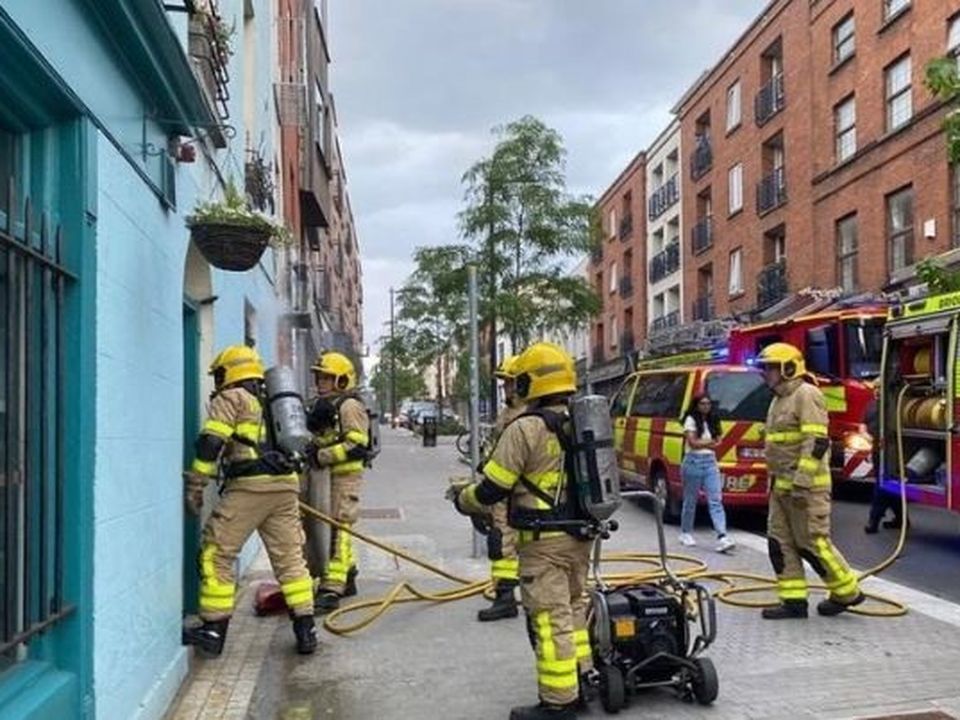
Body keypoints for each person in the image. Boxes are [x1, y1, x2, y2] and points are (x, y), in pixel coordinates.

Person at [452, 342, 591, 720]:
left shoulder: (524, 428)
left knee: (550, 620)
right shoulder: (581, 421)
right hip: (579, 537)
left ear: (531, 383)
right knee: (575, 610)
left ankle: (559, 702)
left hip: (542, 543)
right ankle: (583, 680)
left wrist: (462, 500)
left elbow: (492, 489)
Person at [182, 345, 317, 656]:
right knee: (290, 560)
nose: (217, 382)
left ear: (229, 372)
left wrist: (196, 483)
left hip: (250, 488)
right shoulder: (272, 403)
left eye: (218, 375)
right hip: (285, 487)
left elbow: (211, 442)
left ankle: (213, 630)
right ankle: (306, 630)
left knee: (215, 554)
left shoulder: (232, 398)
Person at [756, 342, 864, 620]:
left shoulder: (807, 394)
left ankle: (847, 592)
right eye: (765, 367)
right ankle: (793, 601)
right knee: (780, 545)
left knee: (812, 543)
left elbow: (816, 441)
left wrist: (802, 482)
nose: (765, 373)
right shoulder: (778, 399)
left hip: (807, 489)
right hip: (780, 487)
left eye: (771, 367)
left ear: (789, 368)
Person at [307, 351, 371, 614]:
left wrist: (321, 456)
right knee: (332, 526)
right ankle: (350, 575)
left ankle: (332, 587)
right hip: (330, 477)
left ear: (342, 381)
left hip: (346, 477)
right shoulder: (329, 406)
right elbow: (332, 438)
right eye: (319, 378)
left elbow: (357, 446)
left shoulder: (349, 406)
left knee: (338, 529)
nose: (320, 383)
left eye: (326, 378)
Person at [477, 355, 524, 622]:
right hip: (503, 489)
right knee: (501, 541)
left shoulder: (526, 415)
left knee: (504, 541)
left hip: (515, 492)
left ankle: (507, 597)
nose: (505, 388)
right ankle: (504, 594)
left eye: (510, 383)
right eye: (504, 383)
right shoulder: (507, 413)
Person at [679, 394, 735, 553]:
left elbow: (719, 442)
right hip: (693, 462)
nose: (706, 406)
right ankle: (685, 532)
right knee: (690, 500)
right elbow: (693, 442)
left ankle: (722, 536)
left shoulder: (713, 420)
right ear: (696, 405)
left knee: (715, 500)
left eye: (708, 403)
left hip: (710, 462)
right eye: (702, 403)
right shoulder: (691, 419)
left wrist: (707, 443)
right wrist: (710, 443)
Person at [863, 393, 905, 534]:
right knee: (887, 482)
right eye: (875, 387)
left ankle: (873, 520)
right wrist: (866, 435)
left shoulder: (890, 405)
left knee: (882, 483)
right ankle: (901, 519)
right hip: (878, 447)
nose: (877, 390)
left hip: (890, 448)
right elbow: (863, 424)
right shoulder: (872, 405)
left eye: (880, 387)